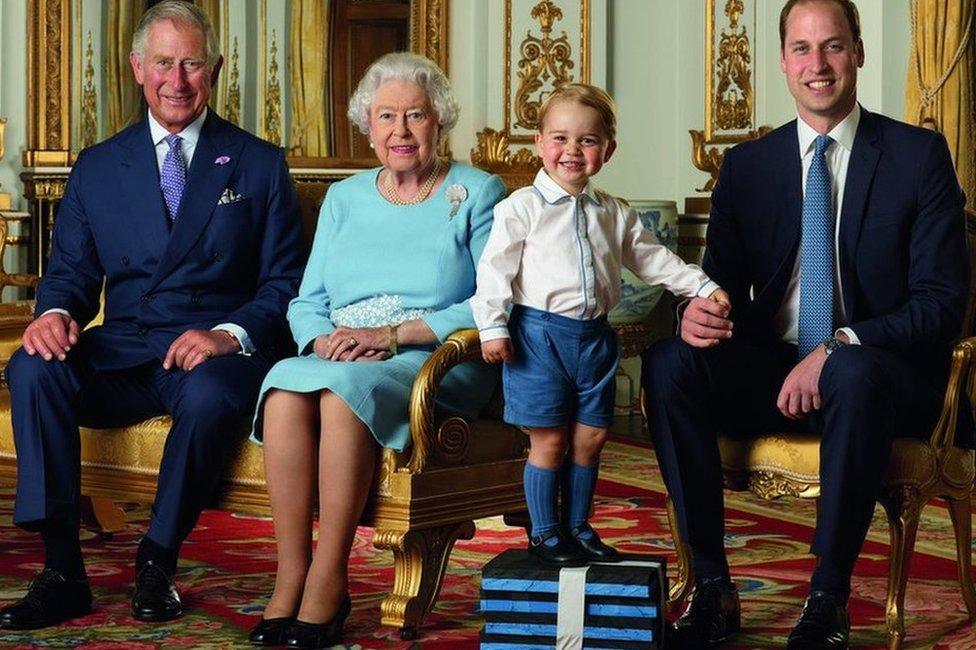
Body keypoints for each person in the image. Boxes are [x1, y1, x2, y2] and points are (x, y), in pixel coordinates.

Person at [641, 0, 970, 647]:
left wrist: (840, 343)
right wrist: (696, 313)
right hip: (777, 365)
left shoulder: (917, 157)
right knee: (669, 362)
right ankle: (711, 585)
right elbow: (724, 290)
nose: (817, 64)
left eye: (833, 46)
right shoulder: (748, 167)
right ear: (783, 62)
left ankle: (828, 598)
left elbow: (939, 305)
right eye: (801, 48)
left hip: (883, 371)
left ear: (859, 52)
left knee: (851, 370)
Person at [0, 1, 304, 631]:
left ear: (215, 69)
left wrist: (228, 335)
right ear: (138, 67)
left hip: (211, 353)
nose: (177, 80)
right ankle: (62, 571)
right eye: (163, 62)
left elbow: (286, 286)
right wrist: (54, 313)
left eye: (192, 63)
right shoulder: (98, 165)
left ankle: (157, 561)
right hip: (127, 345)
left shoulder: (258, 163)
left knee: (214, 395)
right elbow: (70, 278)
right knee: (32, 367)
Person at [246, 52, 506, 648]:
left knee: (342, 397)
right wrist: (322, 340)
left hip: (433, 360)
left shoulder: (476, 191)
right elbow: (305, 300)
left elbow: (492, 301)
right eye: (386, 116)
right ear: (368, 124)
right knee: (285, 387)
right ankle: (291, 573)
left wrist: (392, 336)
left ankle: (329, 578)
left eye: (416, 115)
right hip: (341, 354)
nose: (401, 131)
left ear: (439, 120)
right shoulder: (345, 197)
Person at [471, 83, 730, 567]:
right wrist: (492, 327)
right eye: (560, 138)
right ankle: (545, 532)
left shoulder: (612, 212)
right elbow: (493, 272)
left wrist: (700, 286)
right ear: (539, 144)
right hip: (538, 337)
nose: (572, 151)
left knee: (590, 437)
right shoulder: (519, 208)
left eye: (587, 141)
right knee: (548, 439)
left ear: (607, 150)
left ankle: (578, 525)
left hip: (595, 339)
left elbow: (654, 260)